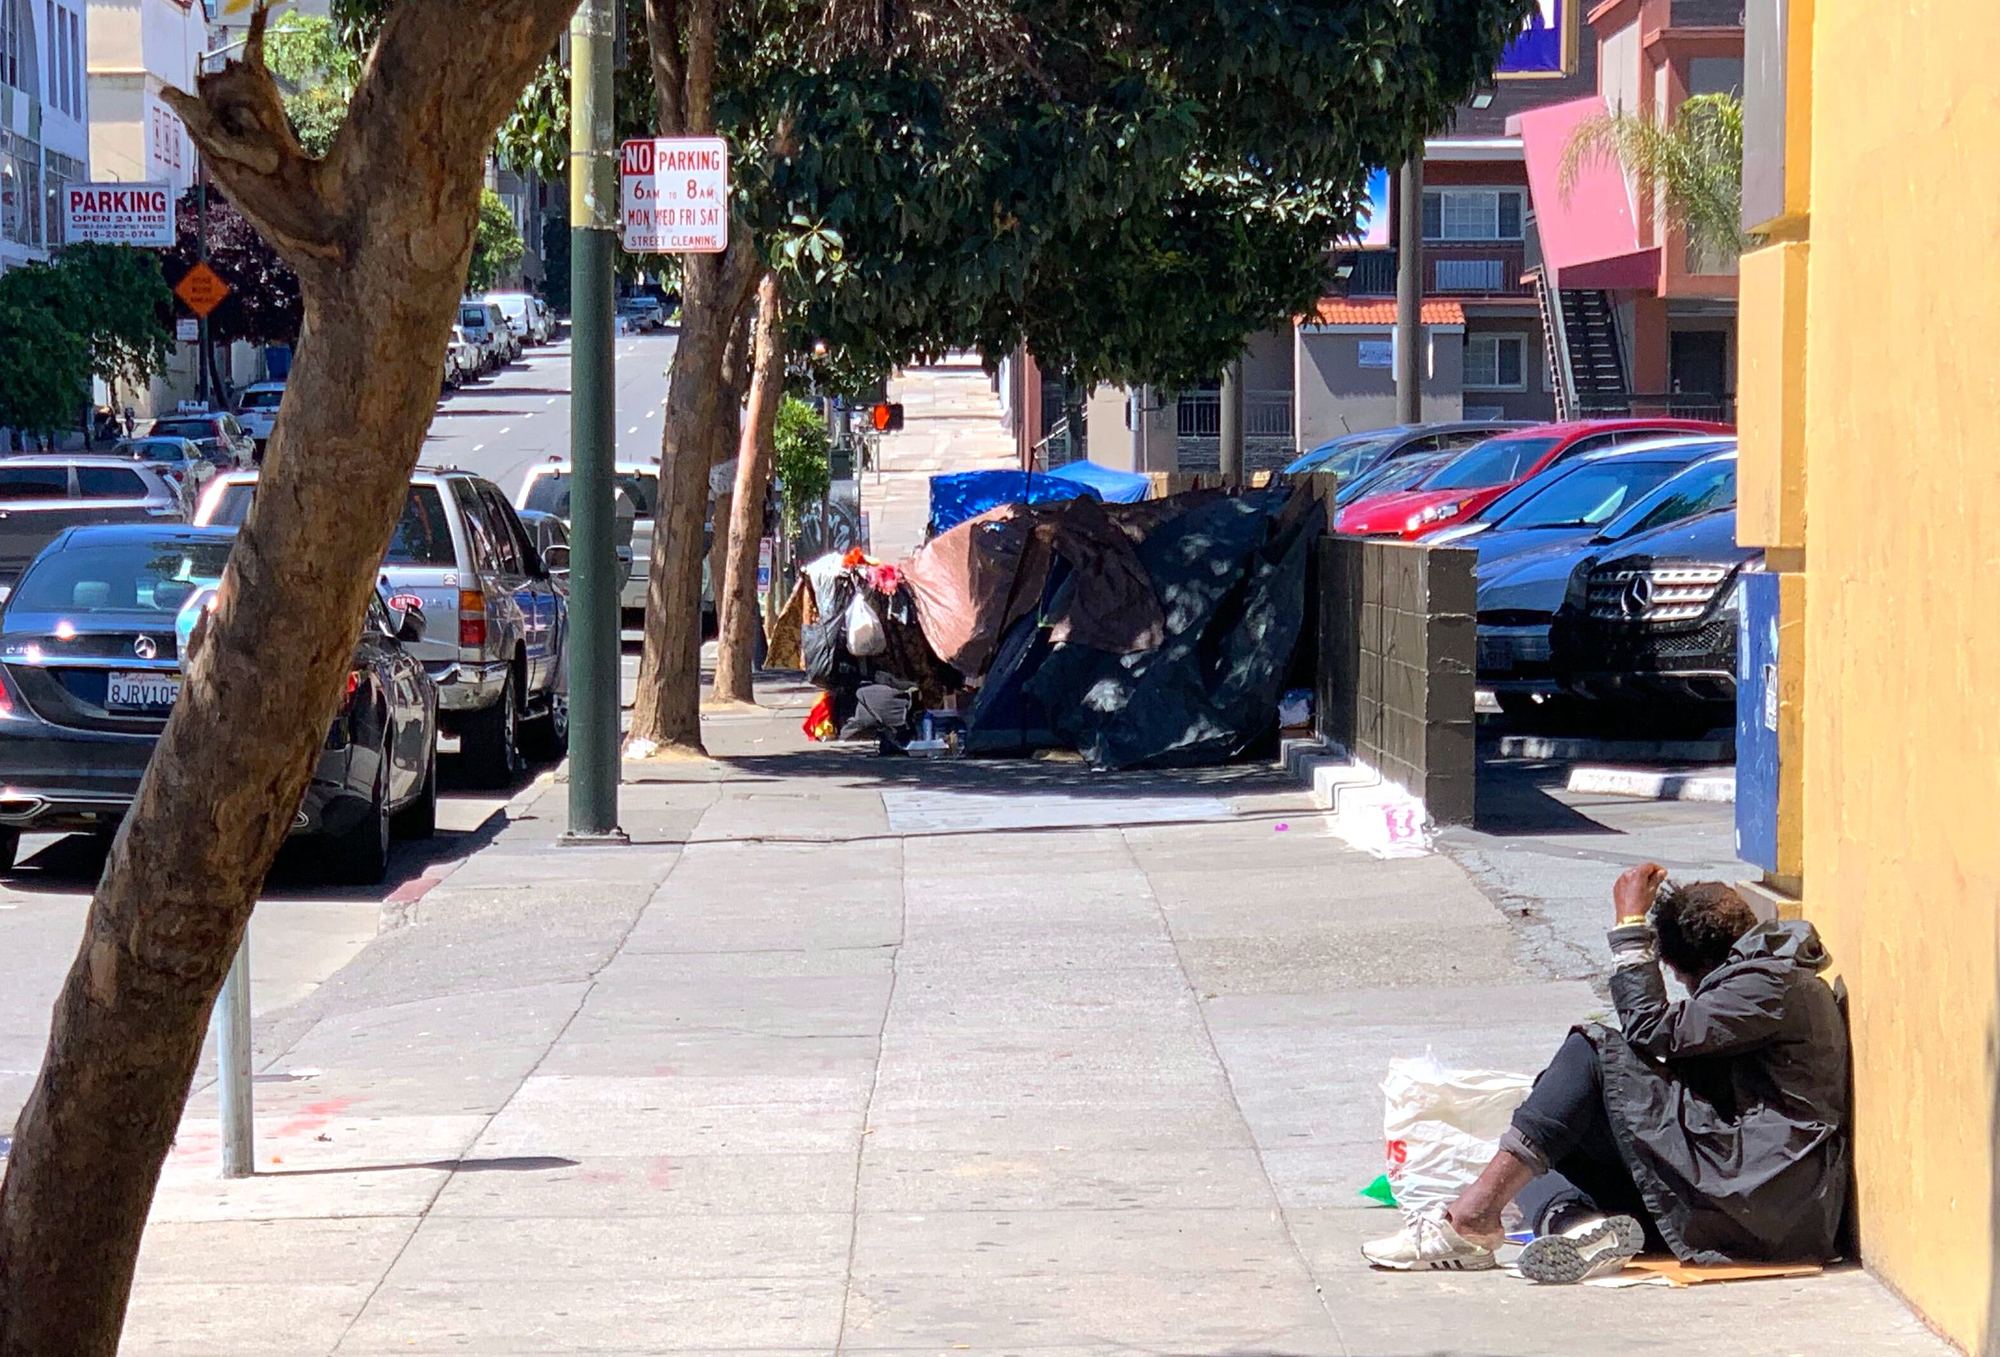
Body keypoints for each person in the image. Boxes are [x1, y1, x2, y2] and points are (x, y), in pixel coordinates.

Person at [1363, 863, 1851, 1283]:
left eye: (1681, 981)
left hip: (1761, 1197)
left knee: (1591, 1051)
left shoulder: (1769, 983)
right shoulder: (1763, 982)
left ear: (1694, 968)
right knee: (1548, 1137)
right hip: (1744, 1198)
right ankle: (1579, 1231)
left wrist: (1631, 928)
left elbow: (1650, 1030)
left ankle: (1470, 1222)